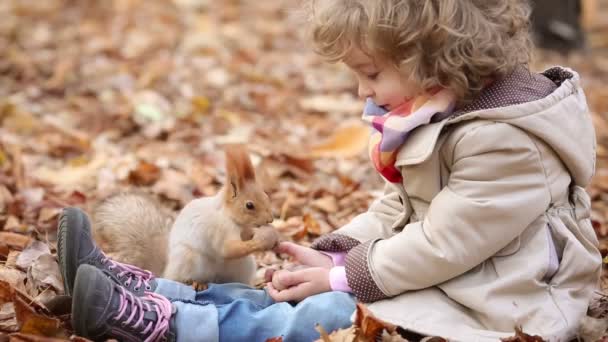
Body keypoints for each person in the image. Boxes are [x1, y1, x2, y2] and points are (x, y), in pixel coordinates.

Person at [58, 1, 602, 341]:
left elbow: (446, 241)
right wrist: (337, 251)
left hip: (501, 305)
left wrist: (346, 276)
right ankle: (153, 290)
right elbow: (402, 208)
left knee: (323, 314)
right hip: (457, 278)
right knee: (301, 294)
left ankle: (168, 325)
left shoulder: (504, 141)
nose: (361, 92)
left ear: (432, 61)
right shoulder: (449, 113)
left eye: (370, 73)